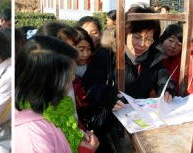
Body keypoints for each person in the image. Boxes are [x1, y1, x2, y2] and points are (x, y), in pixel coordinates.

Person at [82, 3, 175, 152]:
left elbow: (163, 77)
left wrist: (168, 87)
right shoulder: (107, 55)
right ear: (125, 33)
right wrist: (105, 94)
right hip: (111, 127)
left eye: (148, 39)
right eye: (137, 37)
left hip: (140, 125)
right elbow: (89, 84)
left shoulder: (153, 57)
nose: (142, 45)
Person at [14, 35, 99, 153]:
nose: (73, 78)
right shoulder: (33, 139)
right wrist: (86, 151)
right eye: (69, 75)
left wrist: (78, 140)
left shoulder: (56, 108)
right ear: (52, 82)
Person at [156, 24, 182, 93]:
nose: (173, 46)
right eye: (171, 40)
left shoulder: (180, 59)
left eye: (179, 44)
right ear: (163, 38)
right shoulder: (152, 55)